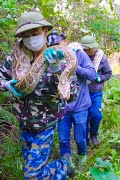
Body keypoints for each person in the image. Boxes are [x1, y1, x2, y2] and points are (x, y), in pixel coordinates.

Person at [0, 12, 74, 179]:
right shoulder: (13, 59)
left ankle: (63, 165)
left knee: (32, 175)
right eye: (25, 36)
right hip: (24, 124)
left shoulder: (59, 59)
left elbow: (72, 95)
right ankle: (62, 165)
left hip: (45, 125)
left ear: (45, 31)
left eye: (34, 34)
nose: (31, 39)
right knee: (33, 168)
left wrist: (57, 70)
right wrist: (5, 84)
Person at [47, 31, 96, 169]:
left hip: (80, 107)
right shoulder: (49, 60)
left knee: (80, 139)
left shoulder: (79, 54)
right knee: (63, 139)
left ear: (65, 42)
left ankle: (82, 158)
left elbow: (92, 74)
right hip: (62, 109)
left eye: (58, 44)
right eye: (53, 45)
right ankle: (68, 165)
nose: (56, 47)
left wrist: (75, 67)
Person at [79, 35, 112, 147]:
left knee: (96, 115)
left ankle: (94, 134)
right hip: (82, 92)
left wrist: (99, 78)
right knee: (85, 116)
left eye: (89, 49)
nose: (88, 51)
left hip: (95, 91)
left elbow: (108, 73)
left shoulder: (101, 58)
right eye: (85, 49)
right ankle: (85, 139)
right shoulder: (80, 57)